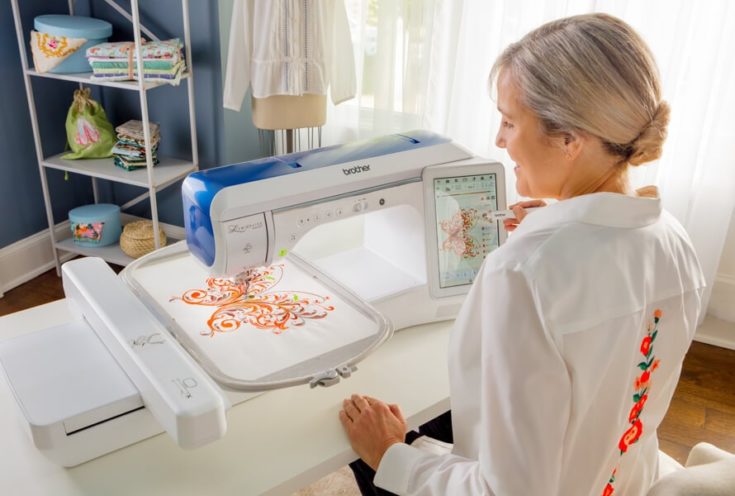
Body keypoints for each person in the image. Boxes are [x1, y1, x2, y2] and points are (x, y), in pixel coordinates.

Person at [339, 13, 705, 496]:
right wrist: (558, 226)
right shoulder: (675, 241)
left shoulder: (522, 272)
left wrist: (392, 453)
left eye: (510, 121)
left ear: (570, 140)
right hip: (623, 480)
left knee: (364, 446)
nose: (499, 139)